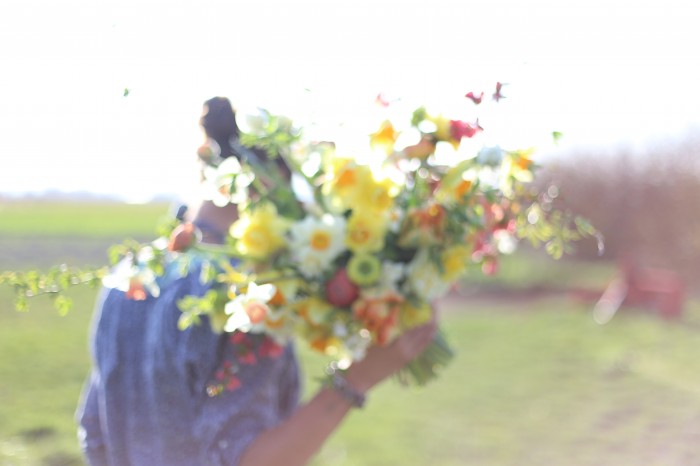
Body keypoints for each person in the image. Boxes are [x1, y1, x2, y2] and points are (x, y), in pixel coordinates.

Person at [75, 97, 438, 466]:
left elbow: (94, 428)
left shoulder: (131, 273)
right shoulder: (247, 295)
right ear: (275, 183)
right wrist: (354, 381)